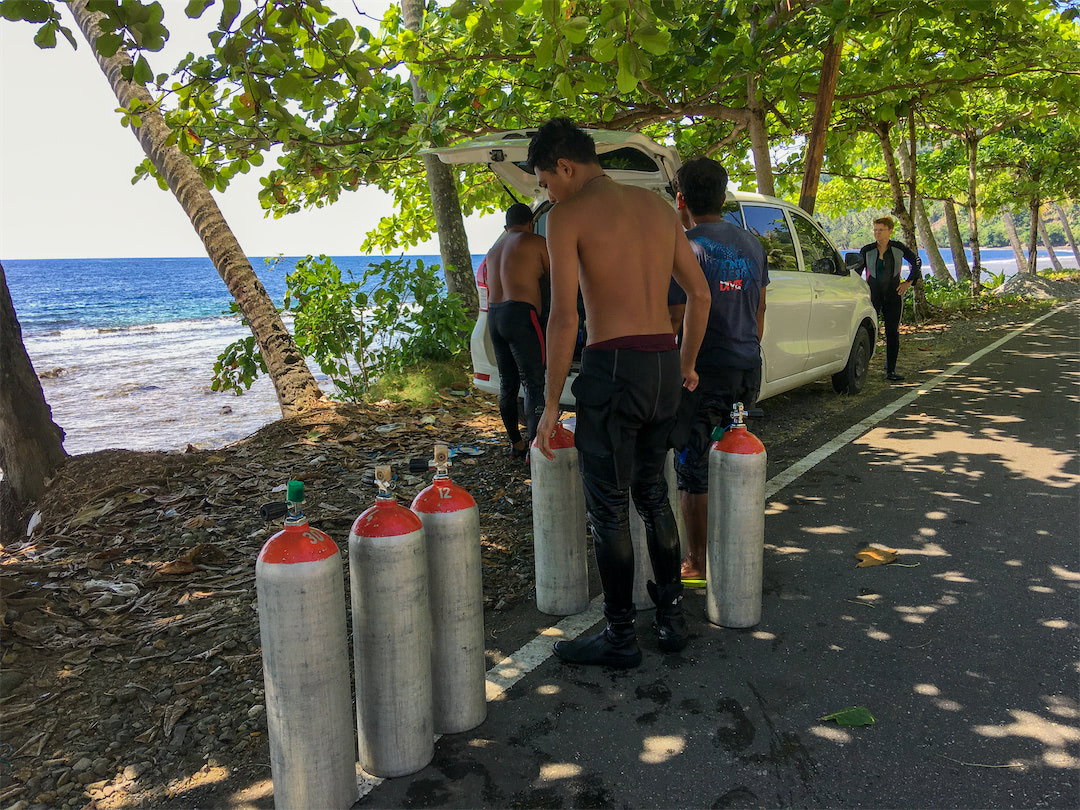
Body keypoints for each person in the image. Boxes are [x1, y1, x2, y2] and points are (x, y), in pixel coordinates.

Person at [529, 118, 710, 668]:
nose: (546, 191)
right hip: (660, 365)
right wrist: (686, 365)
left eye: (544, 179)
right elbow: (699, 296)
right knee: (654, 493)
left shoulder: (567, 217)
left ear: (565, 165)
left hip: (613, 367)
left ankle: (620, 636)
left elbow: (563, 320)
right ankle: (672, 619)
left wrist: (547, 406)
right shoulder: (659, 208)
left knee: (608, 508)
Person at [666, 157, 769, 581]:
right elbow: (760, 310)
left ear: (681, 199)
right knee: (732, 453)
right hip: (747, 367)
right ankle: (732, 543)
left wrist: (681, 364)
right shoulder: (752, 244)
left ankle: (698, 561)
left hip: (702, 372)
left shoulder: (684, 247)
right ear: (724, 197)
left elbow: (676, 317)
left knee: (693, 466)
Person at [485, 202, 550, 458]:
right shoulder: (535, 242)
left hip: (495, 316)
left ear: (506, 227)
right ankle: (536, 452)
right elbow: (557, 278)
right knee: (534, 384)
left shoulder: (493, 250)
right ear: (531, 223)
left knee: (507, 384)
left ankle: (516, 444)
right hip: (522, 315)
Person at [854, 216, 921, 381]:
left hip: (893, 295)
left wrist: (908, 282)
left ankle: (890, 370)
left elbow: (916, 262)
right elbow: (856, 272)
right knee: (867, 331)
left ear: (890, 231)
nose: (877, 233)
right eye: (875, 229)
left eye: (880, 230)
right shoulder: (867, 250)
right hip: (872, 297)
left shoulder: (898, 248)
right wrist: (860, 288)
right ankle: (861, 367)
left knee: (892, 332)